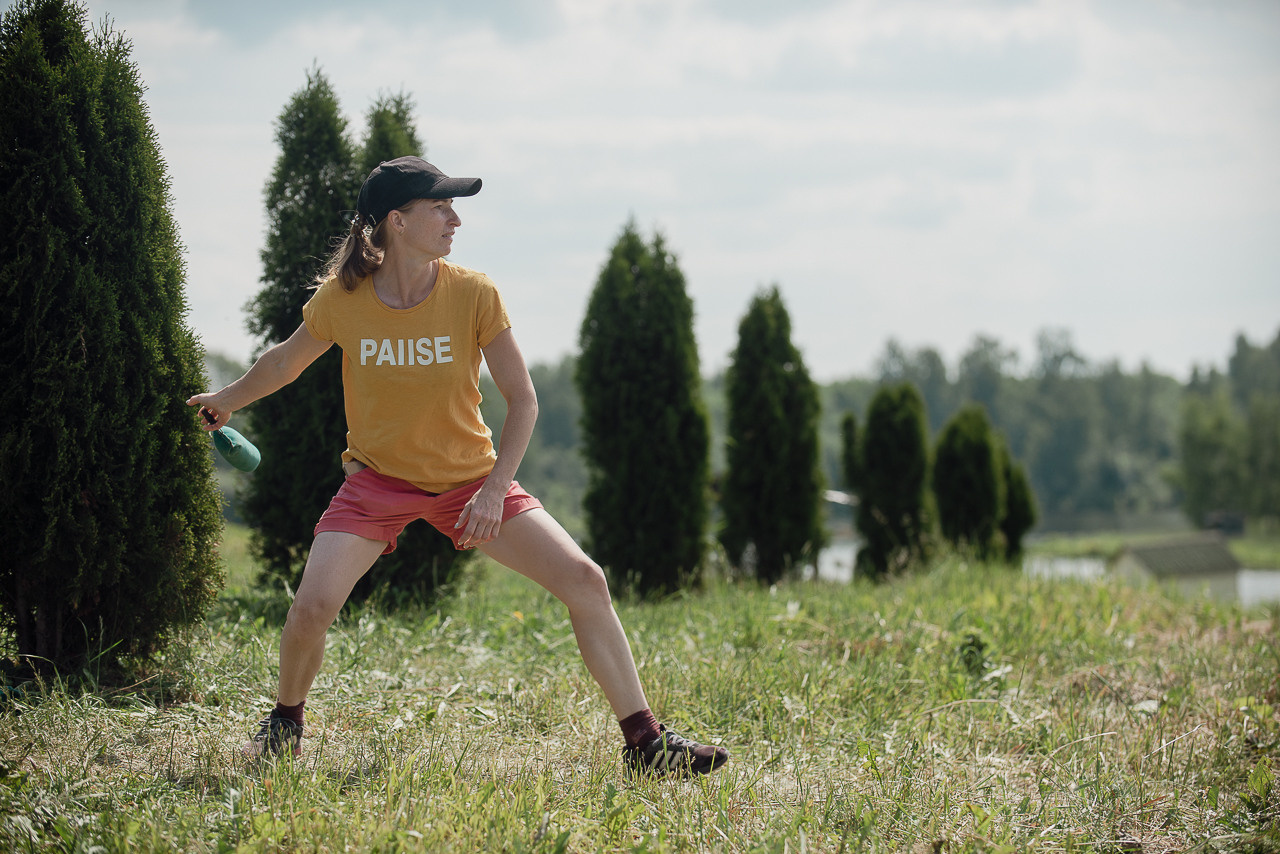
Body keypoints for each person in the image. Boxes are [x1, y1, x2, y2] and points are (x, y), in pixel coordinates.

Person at [188, 156, 729, 777]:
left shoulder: (473, 292)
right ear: (397, 221)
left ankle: (646, 744)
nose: (455, 219)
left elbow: (523, 400)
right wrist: (223, 402)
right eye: (440, 208)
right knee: (311, 610)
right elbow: (284, 362)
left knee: (586, 580)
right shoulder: (345, 299)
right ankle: (286, 722)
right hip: (376, 483)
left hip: (470, 481)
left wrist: (496, 490)